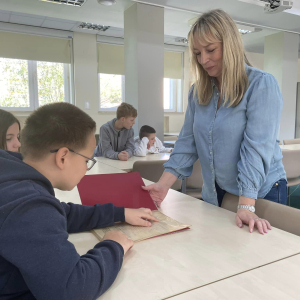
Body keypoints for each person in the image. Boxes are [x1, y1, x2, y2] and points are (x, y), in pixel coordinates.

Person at [143, 9, 287, 235]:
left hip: (259, 192)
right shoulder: (197, 92)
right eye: (197, 53)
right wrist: (162, 186)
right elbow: (187, 143)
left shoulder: (260, 85)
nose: (203, 60)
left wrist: (246, 205)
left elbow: (256, 148)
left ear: (229, 45)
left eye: (210, 50)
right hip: (217, 189)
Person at [0, 102, 158, 300]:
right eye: (87, 160)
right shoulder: (28, 205)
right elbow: (73, 289)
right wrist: (113, 245)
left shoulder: (14, 178)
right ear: (63, 157)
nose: (86, 168)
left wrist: (120, 213)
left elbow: (61, 212)